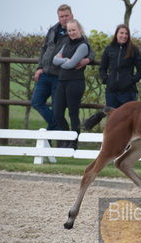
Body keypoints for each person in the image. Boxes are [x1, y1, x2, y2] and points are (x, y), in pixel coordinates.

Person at [32, 4, 93, 134]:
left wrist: (87, 60)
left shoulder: (76, 32)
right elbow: (44, 49)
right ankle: (56, 128)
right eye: (61, 16)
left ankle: (58, 136)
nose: (64, 19)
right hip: (45, 73)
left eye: (66, 16)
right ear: (58, 17)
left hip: (59, 76)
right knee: (36, 102)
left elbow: (89, 51)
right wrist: (39, 67)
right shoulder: (53, 30)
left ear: (71, 16)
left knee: (59, 110)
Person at [52, 19, 90, 149]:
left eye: (74, 30)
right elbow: (54, 59)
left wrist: (64, 60)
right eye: (69, 30)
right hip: (62, 82)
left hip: (75, 82)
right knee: (57, 112)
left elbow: (71, 64)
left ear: (79, 29)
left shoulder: (83, 45)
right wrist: (65, 60)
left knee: (73, 114)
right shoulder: (66, 43)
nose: (71, 32)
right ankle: (66, 138)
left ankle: (74, 143)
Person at [99, 24, 141, 108]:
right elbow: (102, 68)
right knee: (112, 119)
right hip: (111, 93)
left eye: (126, 33)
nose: (124, 36)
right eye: (121, 33)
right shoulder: (109, 49)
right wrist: (107, 80)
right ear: (116, 34)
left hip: (128, 93)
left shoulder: (133, 49)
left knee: (128, 119)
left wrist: (131, 81)